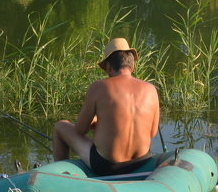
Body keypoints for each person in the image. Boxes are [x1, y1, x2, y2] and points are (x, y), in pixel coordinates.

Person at [52, 38, 160, 176]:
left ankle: (61, 179)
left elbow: (80, 130)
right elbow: (152, 132)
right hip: (142, 162)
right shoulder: (151, 89)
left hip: (108, 166)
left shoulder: (99, 87)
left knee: (60, 126)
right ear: (132, 66)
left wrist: (95, 122)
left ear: (109, 66)